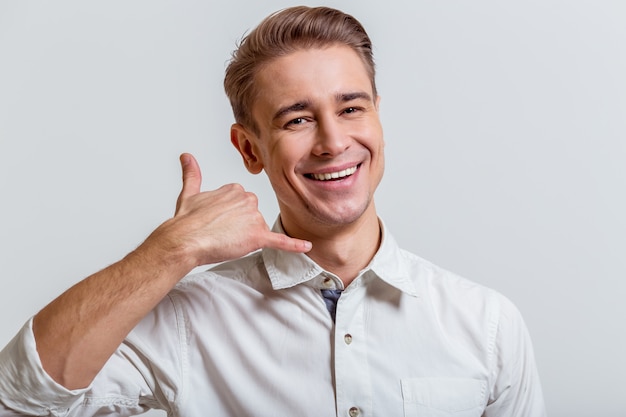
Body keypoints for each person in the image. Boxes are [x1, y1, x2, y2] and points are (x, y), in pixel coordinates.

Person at [0, 6, 546, 417]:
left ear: (377, 116)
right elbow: (20, 398)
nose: (333, 142)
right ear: (249, 149)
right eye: (297, 120)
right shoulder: (187, 319)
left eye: (351, 108)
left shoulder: (487, 324)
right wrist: (170, 251)